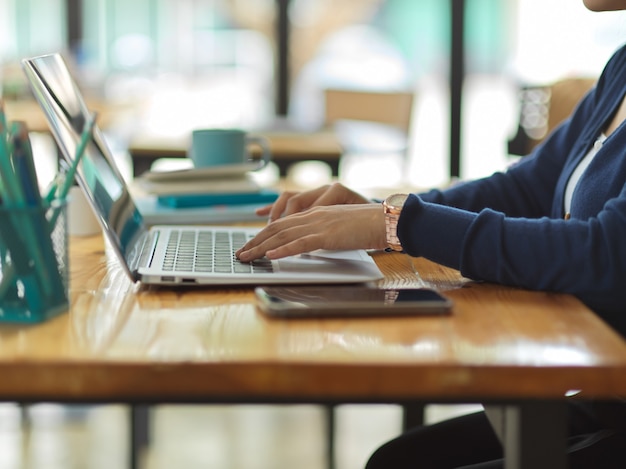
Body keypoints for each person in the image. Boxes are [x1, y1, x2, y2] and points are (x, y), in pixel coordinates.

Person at [237, 0, 626, 466]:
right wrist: (381, 214)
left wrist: (401, 224)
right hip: (599, 393)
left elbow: (607, 256)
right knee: (396, 461)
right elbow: (526, 188)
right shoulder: (621, 68)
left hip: (613, 403)